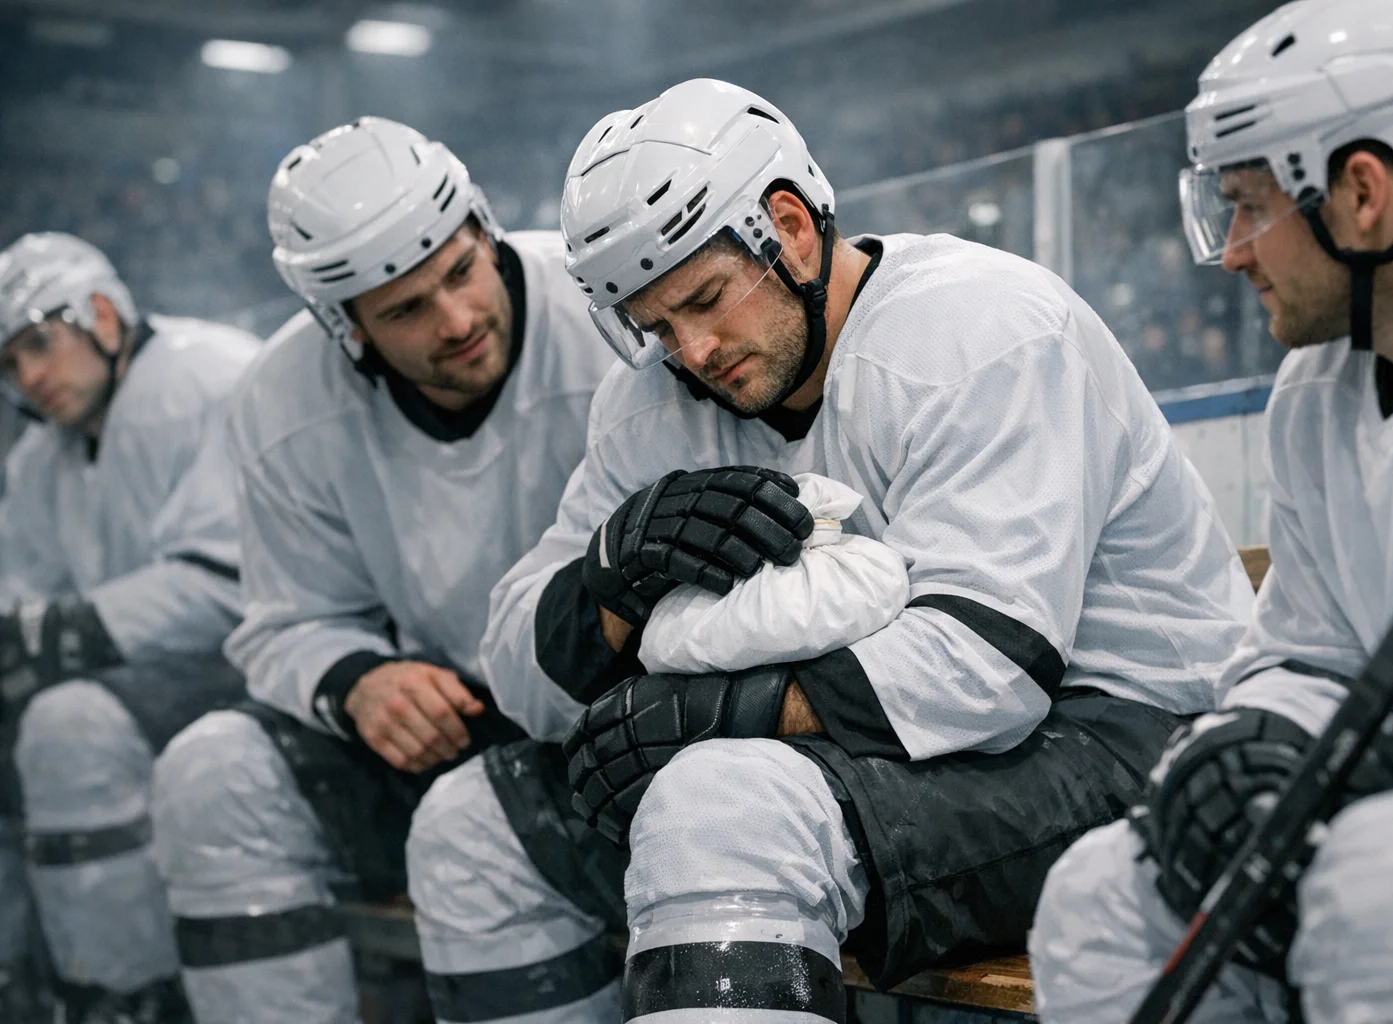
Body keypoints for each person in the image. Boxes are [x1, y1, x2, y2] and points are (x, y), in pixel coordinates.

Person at [467, 77, 1254, 1022]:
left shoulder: (981, 327)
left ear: (790, 228)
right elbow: (516, 669)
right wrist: (612, 568)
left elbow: (988, 669)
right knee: (480, 822)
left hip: (1127, 733)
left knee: (723, 804)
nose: (693, 350)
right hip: (883, 751)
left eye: (707, 299)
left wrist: (713, 713)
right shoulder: (651, 401)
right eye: (657, 326)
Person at [1027, 1, 1393, 1021]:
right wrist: (1254, 742)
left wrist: (1372, 763)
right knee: (1100, 896)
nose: (1233, 252)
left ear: (1362, 192)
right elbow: (1308, 647)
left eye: (1252, 206)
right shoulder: (1315, 388)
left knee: (1388, 877)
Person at [148, 118, 617, 1024]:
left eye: (460, 270)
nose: (458, 321)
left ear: (482, 228)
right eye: (405, 310)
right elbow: (287, 620)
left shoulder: (612, 304)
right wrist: (359, 682)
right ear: (342, 323)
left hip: (624, 716)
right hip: (457, 722)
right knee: (211, 774)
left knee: (472, 827)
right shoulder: (283, 400)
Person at [0, 232, 258, 1022]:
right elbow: (25, 598)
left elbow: (229, 585)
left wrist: (49, 635)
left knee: (68, 726)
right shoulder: (40, 456)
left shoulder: (208, 375)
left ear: (102, 316)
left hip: (251, 658)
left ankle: (125, 994)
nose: (28, 377)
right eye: (10, 363)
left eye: (39, 344)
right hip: (139, 669)